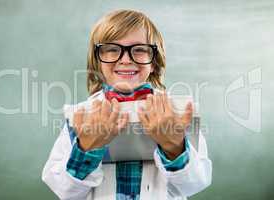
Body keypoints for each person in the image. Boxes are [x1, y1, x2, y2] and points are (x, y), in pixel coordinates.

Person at [42, 9, 212, 200]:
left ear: (154, 62)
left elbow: (196, 183)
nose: (125, 59)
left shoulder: (174, 113)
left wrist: (174, 148)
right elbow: (63, 190)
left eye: (139, 49)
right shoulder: (82, 116)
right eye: (112, 49)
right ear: (97, 61)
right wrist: (85, 149)